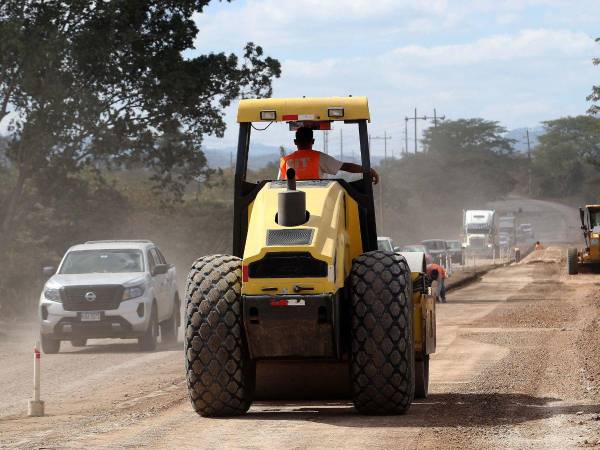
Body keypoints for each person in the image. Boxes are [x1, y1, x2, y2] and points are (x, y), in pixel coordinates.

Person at [279, 127, 379, 183]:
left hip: (290, 204)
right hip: (317, 198)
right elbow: (346, 166)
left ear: (295, 142)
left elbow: (279, 184)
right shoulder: (319, 157)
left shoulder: (285, 161)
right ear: (313, 141)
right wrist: (368, 169)